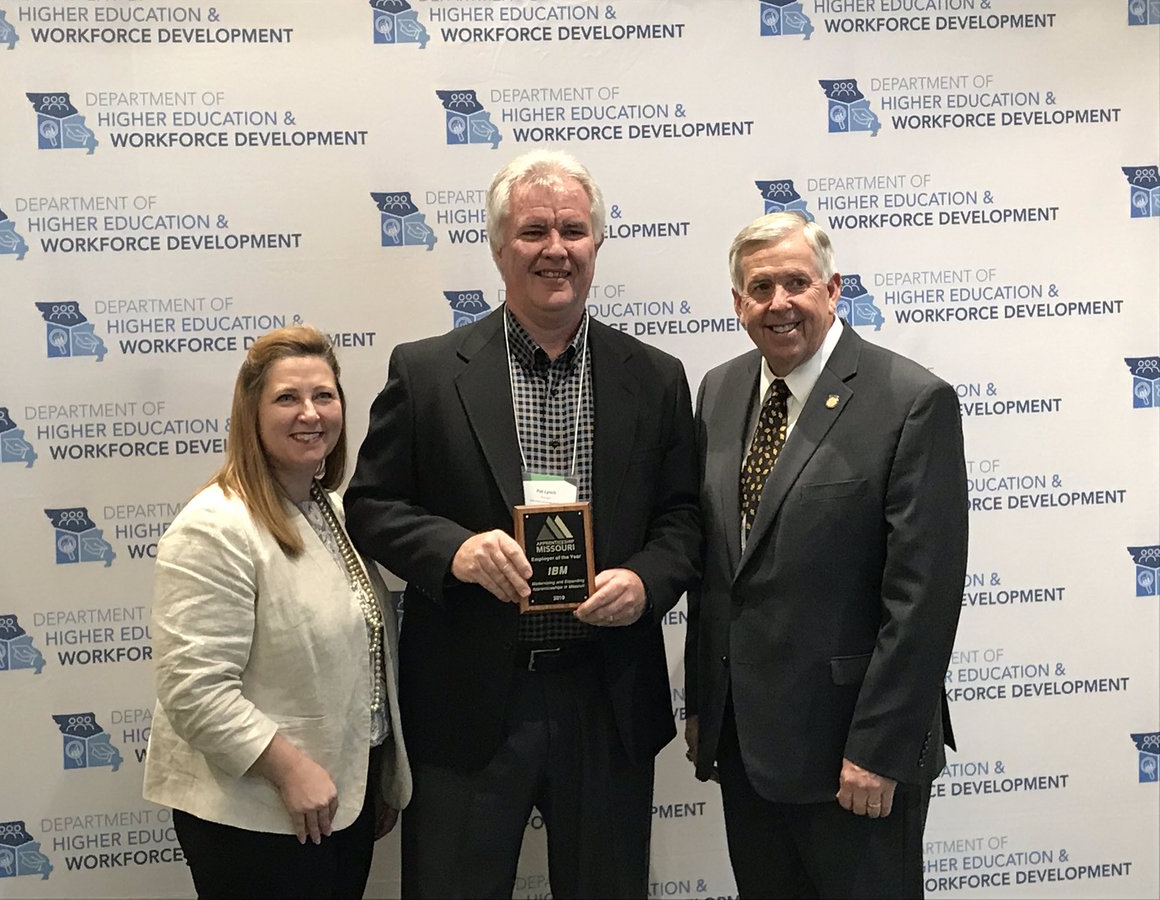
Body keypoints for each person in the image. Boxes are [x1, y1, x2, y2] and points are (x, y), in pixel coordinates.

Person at [345, 148, 700, 899]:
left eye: (573, 229)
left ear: (597, 244)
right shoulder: (428, 371)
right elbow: (371, 506)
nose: (555, 249)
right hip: (472, 698)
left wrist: (645, 579)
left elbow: (683, 521)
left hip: (605, 700)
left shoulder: (658, 377)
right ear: (499, 246)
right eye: (534, 231)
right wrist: (456, 550)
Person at [684, 212, 967, 899]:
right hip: (747, 749)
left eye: (795, 282)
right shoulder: (718, 392)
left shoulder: (910, 401)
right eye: (759, 288)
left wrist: (878, 749)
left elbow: (922, 600)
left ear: (833, 288)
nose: (777, 303)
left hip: (854, 759)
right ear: (737, 303)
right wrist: (703, 704)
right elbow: (719, 571)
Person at [143, 325, 411, 899]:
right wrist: (290, 770)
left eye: (324, 395)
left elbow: (359, 653)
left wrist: (376, 773)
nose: (310, 413)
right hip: (256, 816)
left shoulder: (335, 511)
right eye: (287, 398)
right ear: (252, 412)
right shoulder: (215, 527)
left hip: (340, 802)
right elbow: (193, 688)